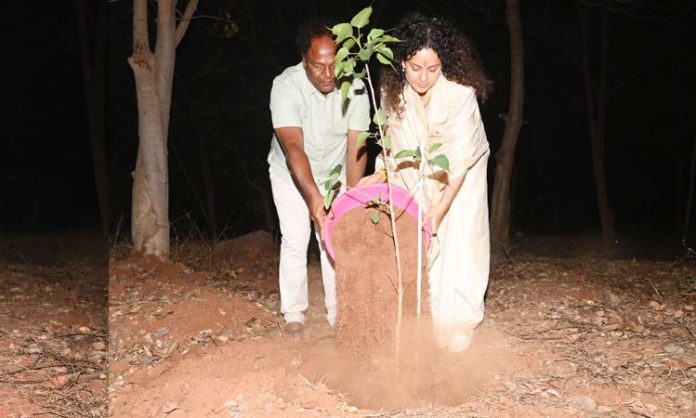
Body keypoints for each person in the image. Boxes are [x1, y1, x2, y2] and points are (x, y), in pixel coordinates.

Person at [357, 13, 492, 352]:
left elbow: (460, 162)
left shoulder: (461, 95)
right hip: (414, 180)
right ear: (403, 61)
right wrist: (380, 175)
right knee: (416, 253)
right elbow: (391, 148)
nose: (424, 76)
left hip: (460, 183)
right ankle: (421, 332)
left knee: (460, 248)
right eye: (416, 67)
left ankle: (459, 330)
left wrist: (440, 210)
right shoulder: (392, 94)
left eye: (433, 69)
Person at [268, 18, 370, 340]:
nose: (328, 74)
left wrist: (351, 199)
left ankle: (339, 314)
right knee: (296, 239)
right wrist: (312, 196)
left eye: (334, 65)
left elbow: (357, 144)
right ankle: (294, 314)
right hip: (292, 175)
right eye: (318, 66)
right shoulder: (285, 86)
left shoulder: (355, 87)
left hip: (336, 174)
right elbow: (293, 147)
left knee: (334, 240)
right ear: (304, 60)